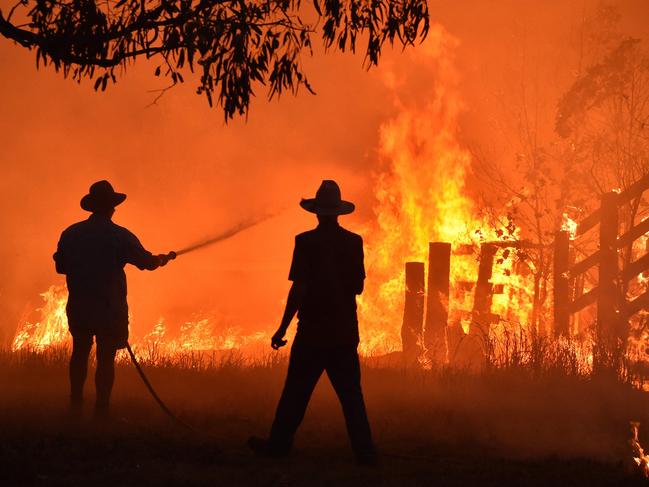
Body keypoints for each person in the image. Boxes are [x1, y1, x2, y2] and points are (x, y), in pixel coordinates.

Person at [248, 180, 376, 465]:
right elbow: (358, 287)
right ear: (338, 213)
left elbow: (299, 288)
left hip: (312, 332)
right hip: (343, 332)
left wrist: (282, 328)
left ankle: (278, 446)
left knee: (295, 392)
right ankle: (366, 455)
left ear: (317, 212)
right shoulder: (353, 242)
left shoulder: (305, 242)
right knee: (352, 397)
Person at [53, 180, 174, 418]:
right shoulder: (120, 236)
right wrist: (161, 259)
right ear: (110, 208)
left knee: (79, 353)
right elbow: (146, 263)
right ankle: (102, 410)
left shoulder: (70, 234)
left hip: (80, 306)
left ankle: (75, 404)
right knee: (105, 358)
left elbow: (61, 267)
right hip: (109, 308)